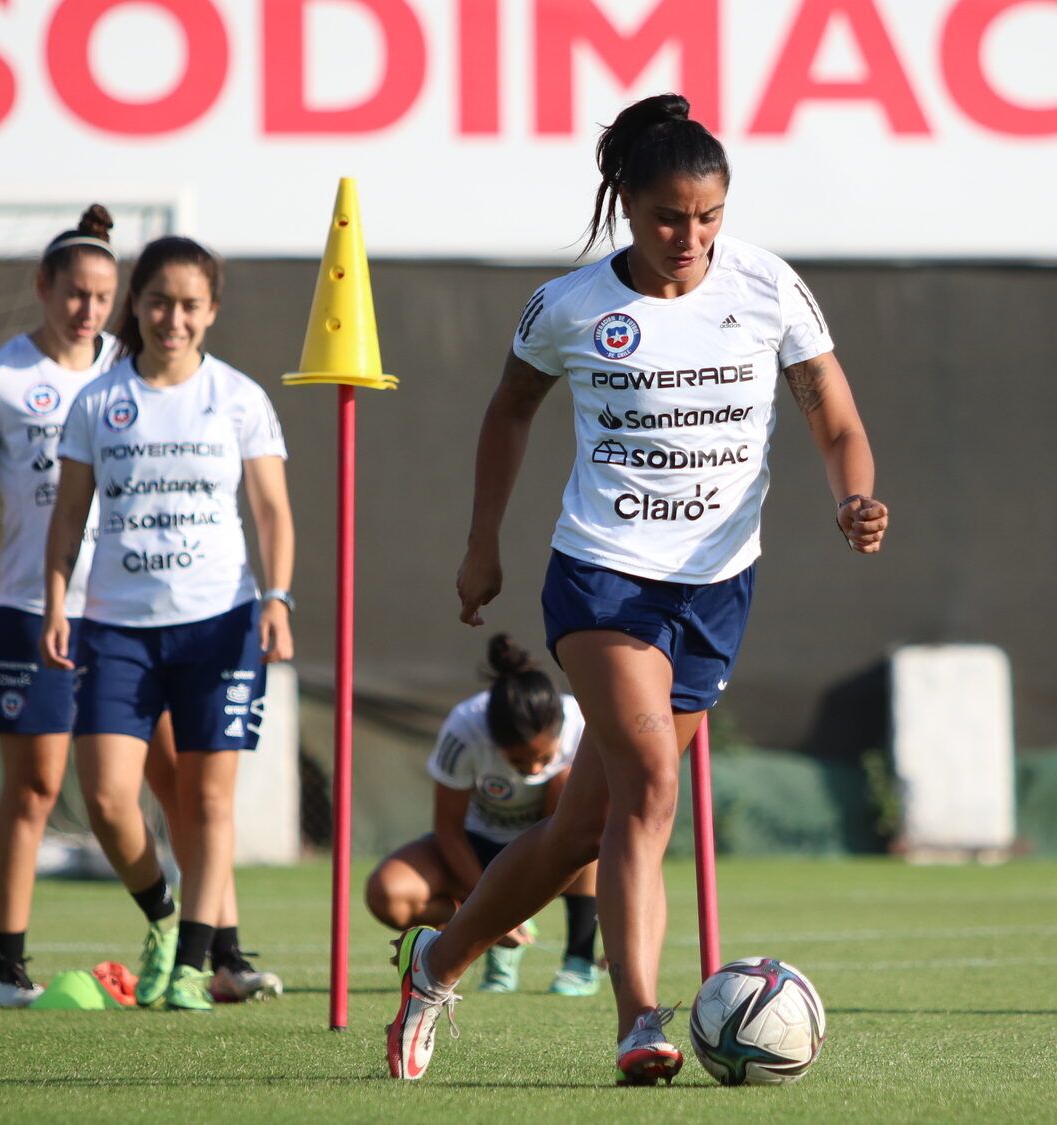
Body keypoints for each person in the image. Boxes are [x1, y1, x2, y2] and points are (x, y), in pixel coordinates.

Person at [386, 92, 889, 1083]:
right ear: (624, 203)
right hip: (602, 580)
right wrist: (482, 542)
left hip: (717, 589)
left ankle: (436, 964)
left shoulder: (767, 286)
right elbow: (507, 413)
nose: (689, 237)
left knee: (586, 825)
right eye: (668, 218)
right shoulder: (569, 305)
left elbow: (832, 416)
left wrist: (856, 497)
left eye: (707, 216)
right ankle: (636, 1021)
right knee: (652, 790)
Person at [42, 236, 295, 1013]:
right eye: (158, 302)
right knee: (110, 798)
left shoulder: (240, 397)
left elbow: (272, 510)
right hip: (116, 626)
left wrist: (278, 597)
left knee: (207, 801)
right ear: (136, 308)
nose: (172, 318)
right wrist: (57, 599)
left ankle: (194, 964)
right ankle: (160, 916)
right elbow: (69, 513)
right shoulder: (97, 401)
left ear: (211, 311)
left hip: (219, 622)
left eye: (189, 305)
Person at [365, 635, 600, 996]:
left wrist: (507, 904)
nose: (532, 770)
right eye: (519, 761)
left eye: (543, 757)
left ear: (560, 731)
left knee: (588, 816)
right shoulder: (465, 729)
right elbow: (448, 830)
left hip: (553, 841)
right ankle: (484, 935)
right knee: (388, 894)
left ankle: (579, 961)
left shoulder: (583, 723)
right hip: (477, 846)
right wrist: (488, 907)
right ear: (494, 740)